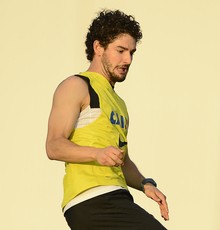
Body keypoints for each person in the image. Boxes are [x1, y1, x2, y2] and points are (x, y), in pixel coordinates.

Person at [46, 9, 169, 230]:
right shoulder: (77, 86)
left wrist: (145, 184)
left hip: (116, 196)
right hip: (92, 199)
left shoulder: (119, 104)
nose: (128, 59)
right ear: (98, 47)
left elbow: (123, 160)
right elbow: (54, 146)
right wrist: (96, 153)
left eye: (132, 52)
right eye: (120, 50)